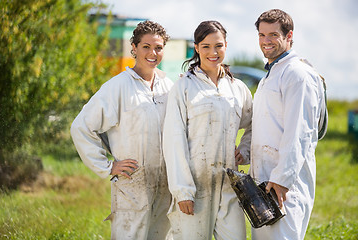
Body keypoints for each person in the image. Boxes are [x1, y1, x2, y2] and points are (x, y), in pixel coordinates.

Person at [70, 20, 173, 240]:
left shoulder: (168, 87)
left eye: (158, 47)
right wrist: (107, 166)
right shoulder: (118, 86)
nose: (152, 53)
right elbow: (81, 127)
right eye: (146, 46)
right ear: (134, 48)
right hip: (132, 184)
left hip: (165, 186)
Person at [163, 20, 253, 240]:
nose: (213, 52)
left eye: (219, 46)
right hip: (195, 186)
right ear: (196, 47)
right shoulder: (184, 87)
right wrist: (183, 190)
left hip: (230, 186)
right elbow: (173, 139)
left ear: (226, 45)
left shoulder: (237, 88)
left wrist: (244, 150)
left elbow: (253, 125)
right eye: (206, 46)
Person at [250, 9, 327, 240]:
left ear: (289, 35)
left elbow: (300, 132)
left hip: (285, 186)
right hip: (264, 181)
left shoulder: (297, 73)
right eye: (262, 35)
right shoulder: (271, 74)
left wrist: (283, 179)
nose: (266, 41)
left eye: (273, 34)